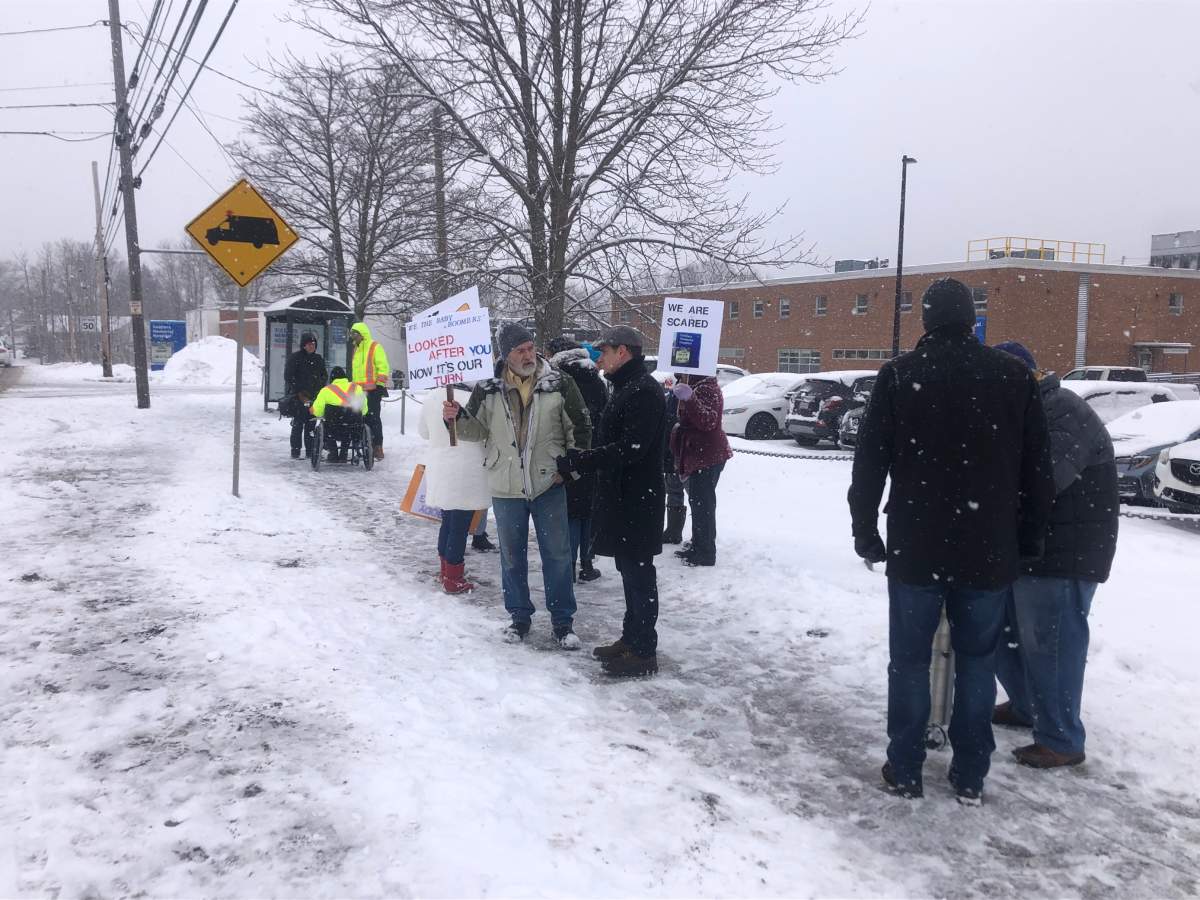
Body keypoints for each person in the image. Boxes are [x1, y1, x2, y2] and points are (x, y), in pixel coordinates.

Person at [847, 277, 1054, 806]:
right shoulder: (1012, 377)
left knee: (910, 661)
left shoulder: (900, 376)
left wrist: (866, 532)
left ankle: (907, 766)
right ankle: (970, 774)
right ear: (972, 320)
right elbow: (1037, 472)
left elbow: (869, 464)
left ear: (927, 321)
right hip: (989, 546)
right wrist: (1030, 540)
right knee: (978, 661)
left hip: (917, 543)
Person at [991, 341, 1118, 769]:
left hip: (1065, 554)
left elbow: (1043, 481)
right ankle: (1027, 707)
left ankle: (1061, 738)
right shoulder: (1023, 413)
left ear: (1027, 377)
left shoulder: (1062, 411)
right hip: (1027, 550)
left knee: (1052, 645)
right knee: (1001, 635)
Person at [442, 322, 591, 648]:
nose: (528, 354)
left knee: (558, 555)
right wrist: (454, 418)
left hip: (548, 483)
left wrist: (570, 467)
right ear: (504, 354)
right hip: (505, 485)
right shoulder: (488, 388)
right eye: (520, 350)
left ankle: (563, 622)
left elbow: (581, 427)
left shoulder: (558, 383)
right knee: (511, 557)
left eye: (530, 348)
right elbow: (476, 431)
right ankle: (519, 617)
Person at [558, 325, 668, 678]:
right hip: (625, 499)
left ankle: (643, 651)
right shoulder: (626, 387)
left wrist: (583, 459)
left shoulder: (644, 392)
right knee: (628, 573)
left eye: (603, 351)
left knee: (639, 576)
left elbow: (632, 448)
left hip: (638, 500)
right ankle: (631, 638)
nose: (598, 358)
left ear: (623, 352)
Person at [547, 336, 609, 582]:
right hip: (592, 453)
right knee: (586, 511)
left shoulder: (558, 380)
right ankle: (586, 563)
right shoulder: (596, 378)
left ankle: (568, 566)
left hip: (566, 453)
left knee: (570, 513)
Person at [420, 381, 491, 594]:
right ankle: (453, 577)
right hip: (466, 468)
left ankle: (445, 570)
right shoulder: (474, 399)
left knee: (448, 521)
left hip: (440, 466)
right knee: (460, 525)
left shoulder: (432, 396)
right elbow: (485, 433)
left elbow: (423, 432)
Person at [669, 373, 733, 566]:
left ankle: (705, 552)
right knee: (698, 502)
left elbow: (708, 421)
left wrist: (690, 399)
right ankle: (698, 544)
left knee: (703, 505)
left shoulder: (706, 388)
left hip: (707, 455)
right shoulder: (697, 385)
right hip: (699, 454)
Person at [349, 322, 390, 460]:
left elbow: (382, 367)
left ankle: (378, 447)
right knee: (359, 418)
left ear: (362, 334)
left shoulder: (374, 346)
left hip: (373, 391)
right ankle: (363, 443)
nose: (353, 336)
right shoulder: (356, 349)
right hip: (359, 392)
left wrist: (380, 385)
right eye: (352, 333)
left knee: (373, 419)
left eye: (355, 333)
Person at [283, 332, 327, 459]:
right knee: (298, 424)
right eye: (309, 344)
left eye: (313, 344)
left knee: (311, 424)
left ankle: (310, 451)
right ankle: (295, 450)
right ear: (303, 345)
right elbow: (288, 376)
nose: (311, 346)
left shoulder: (318, 359)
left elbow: (324, 375)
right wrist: (298, 391)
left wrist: (319, 388)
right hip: (299, 397)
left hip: (314, 396)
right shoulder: (295, 358)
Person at [309, 366, 365, 462]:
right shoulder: (357, 388)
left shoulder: (326, 390)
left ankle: (333, 452)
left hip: (332, 428)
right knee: (350, 424)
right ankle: (344, 452)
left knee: (326, 425)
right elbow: (364, 409)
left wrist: (312, 410)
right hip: (353, 428)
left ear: (332, 378)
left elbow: (318, 411)